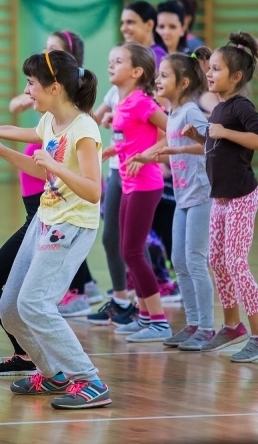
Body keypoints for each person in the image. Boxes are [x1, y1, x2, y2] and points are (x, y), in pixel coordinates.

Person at [0, 50, 111, 409]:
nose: (27, 90)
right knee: (10, 307)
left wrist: (53, 165)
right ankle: (52, 374)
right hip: (45, 220)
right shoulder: (50, 122)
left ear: (53, 87)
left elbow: (93, 190)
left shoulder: (84, 129)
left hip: (71, 226)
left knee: (35, 304)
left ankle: (89, 380)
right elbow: (38, 163)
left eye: (31, 83)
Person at [183, 32, 258, 362]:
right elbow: (216, 146)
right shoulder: (221, 108)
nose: (209, 74)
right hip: (220, 198)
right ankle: (232, 325)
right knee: (217, 261)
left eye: (216, 69)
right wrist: (198, 135)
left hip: (241, 197)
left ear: (236, 76)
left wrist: (223, 131)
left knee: (236, 263)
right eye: (208, 69)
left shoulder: (240, 106)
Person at [132, 50, 216, 350]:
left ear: (183, 84)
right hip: (183, 196)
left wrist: (179, 149)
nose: (158, 79)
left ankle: (207, 327)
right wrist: (149, 155)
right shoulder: (173, 115)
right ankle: (193, 324)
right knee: (179, 260)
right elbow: (169, 142)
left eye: (165, 75)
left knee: (194, 261)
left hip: (202, 195)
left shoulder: (192, 112)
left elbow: (211, 145)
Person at [100, 42, 172, 342]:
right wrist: (113, 150)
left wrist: (149, 155)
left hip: (146, 184)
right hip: (129, 182)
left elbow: (173, 131)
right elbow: (133, 140)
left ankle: (158, 321)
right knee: (127, 249)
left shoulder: (142, 102)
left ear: (137, 71)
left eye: (118, 61)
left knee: (131, 249)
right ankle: (144, 316)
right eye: (110, 60)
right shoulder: (124, 102)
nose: (111, 65)